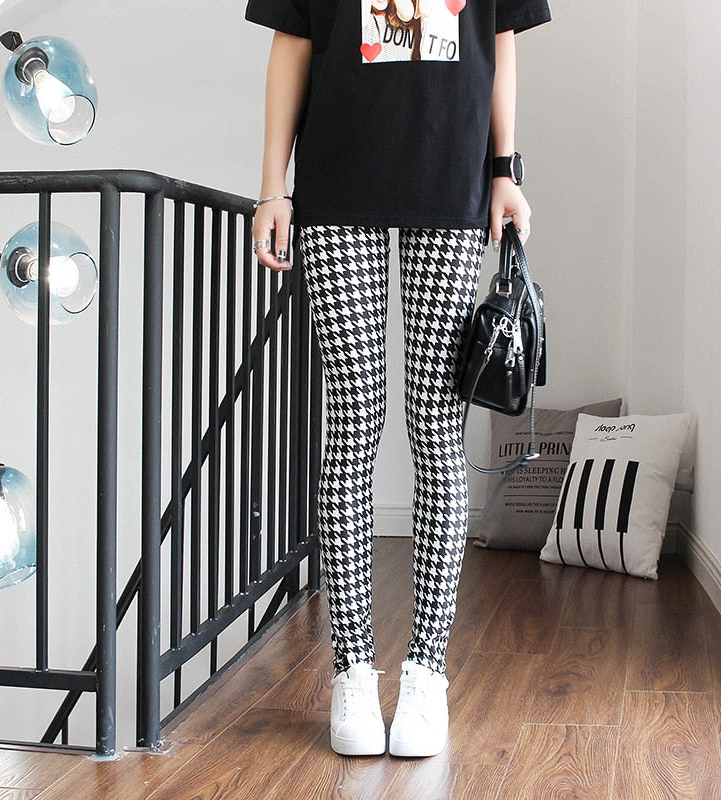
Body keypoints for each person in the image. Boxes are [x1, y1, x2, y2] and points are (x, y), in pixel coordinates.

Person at [245, 0, 550, 758]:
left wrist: (505, 169)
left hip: (451, 178)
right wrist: (273, 187)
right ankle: (352, 671)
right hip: (336, 182)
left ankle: (425, 673)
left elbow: (498, 39)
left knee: (437, 428)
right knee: (353, 421)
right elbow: (293, 42)